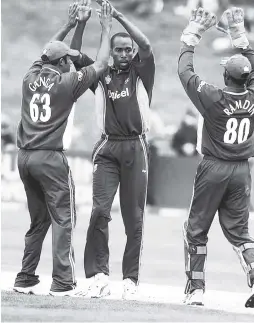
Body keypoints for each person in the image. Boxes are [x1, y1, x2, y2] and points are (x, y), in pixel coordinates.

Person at [13, 1, 112, 296]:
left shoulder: (30, 77)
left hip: (24, 157)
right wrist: (105, 29)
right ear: (60, 64)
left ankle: (25, 277)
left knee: (39, 220)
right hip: (50, 157)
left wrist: (73, 24)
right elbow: (101, 65)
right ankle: (63, 282)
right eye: (66, 58)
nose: (70, 60)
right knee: (64, 219)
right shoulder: (66, 84)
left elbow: (48, 51)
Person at [178, 7, 254, 307]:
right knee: (240, 232)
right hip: (241, 170)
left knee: (196, 230)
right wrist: (239, 35)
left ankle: (196, 290)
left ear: (224, 75)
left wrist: (192, 34)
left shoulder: (213, 98)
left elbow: (185, 71)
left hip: (213, 167)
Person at [70, 0, 155, 299]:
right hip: (107, 148)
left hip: (136, 147)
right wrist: (82, 24)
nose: (123, 54)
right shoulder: (101, 75)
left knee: (134, 218)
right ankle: (99, 276)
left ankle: (130, 280)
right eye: (118, 49)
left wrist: (118, 17)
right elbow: (75, 57)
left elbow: (145, 43)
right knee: (99, 212)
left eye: (126, 50)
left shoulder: (142, 73)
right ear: (112, 51)